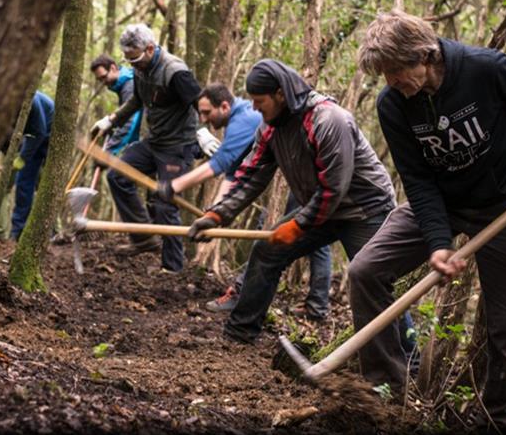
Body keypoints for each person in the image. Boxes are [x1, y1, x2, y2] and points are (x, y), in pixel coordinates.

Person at [352, 9, 506, 431]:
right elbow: (417, 178)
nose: (391, 81)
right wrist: (437, 243)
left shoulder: (484, 68)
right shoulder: (392, 104)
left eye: (396, 70)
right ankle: (384, 395)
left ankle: (502, 422)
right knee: (364, 271)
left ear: (425, 56)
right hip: (442, 203)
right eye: (385, 74)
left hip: (505, 204)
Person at [187, 60, 398, 376]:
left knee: (370, 280)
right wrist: (218, 215)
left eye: (260, 102)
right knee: (267, 251)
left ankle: (405, 359)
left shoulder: (329, 120)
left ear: (280, 94)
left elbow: (335, 186)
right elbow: (251, 175)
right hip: (322, 203)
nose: (256, 109)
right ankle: (239, 335)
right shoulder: (270, 127)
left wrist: (298, 224)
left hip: (364, 208)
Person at [156, 83, 333, 318]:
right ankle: (317, 305)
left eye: (207, 113)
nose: (203, 119)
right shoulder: (239, 121)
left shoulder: (244, 119)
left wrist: (173, 186)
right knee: (314, 238)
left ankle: (244, 295)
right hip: (303, 179)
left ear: (225, 106)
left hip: (308, 179)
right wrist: (214, 213)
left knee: (272, 240)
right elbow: (233, 173)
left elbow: (219, 164)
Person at [90, 23, 219, 273]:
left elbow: (198, 100)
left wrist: (202, 133)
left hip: (178, 146)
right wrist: (112, 119)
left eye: (135, 58)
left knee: (165, 201)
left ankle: (172, 268)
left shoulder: (175, 71)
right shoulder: (140, 70)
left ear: (150, 49)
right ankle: (144, 238)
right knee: (117, 176)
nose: (132, 64)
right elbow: (137, 100)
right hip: (154, 141)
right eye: (128, 59)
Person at [10, 91, 55, 240]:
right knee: (23, 182)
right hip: (31, 140)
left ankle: (50, 231)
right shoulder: (5, 103)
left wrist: (22, 158)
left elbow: (39, 132)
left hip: (50, 138)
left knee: (48, 185)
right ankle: (18, 231)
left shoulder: (32, 100)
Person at [90, 54, 142, 156]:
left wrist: (108, 153)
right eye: (100, 80)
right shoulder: (124, 87)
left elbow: (130, 122)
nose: (103, 82)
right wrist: (111, 124)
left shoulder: (129, 86)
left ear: (113, 68)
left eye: (104, 77)